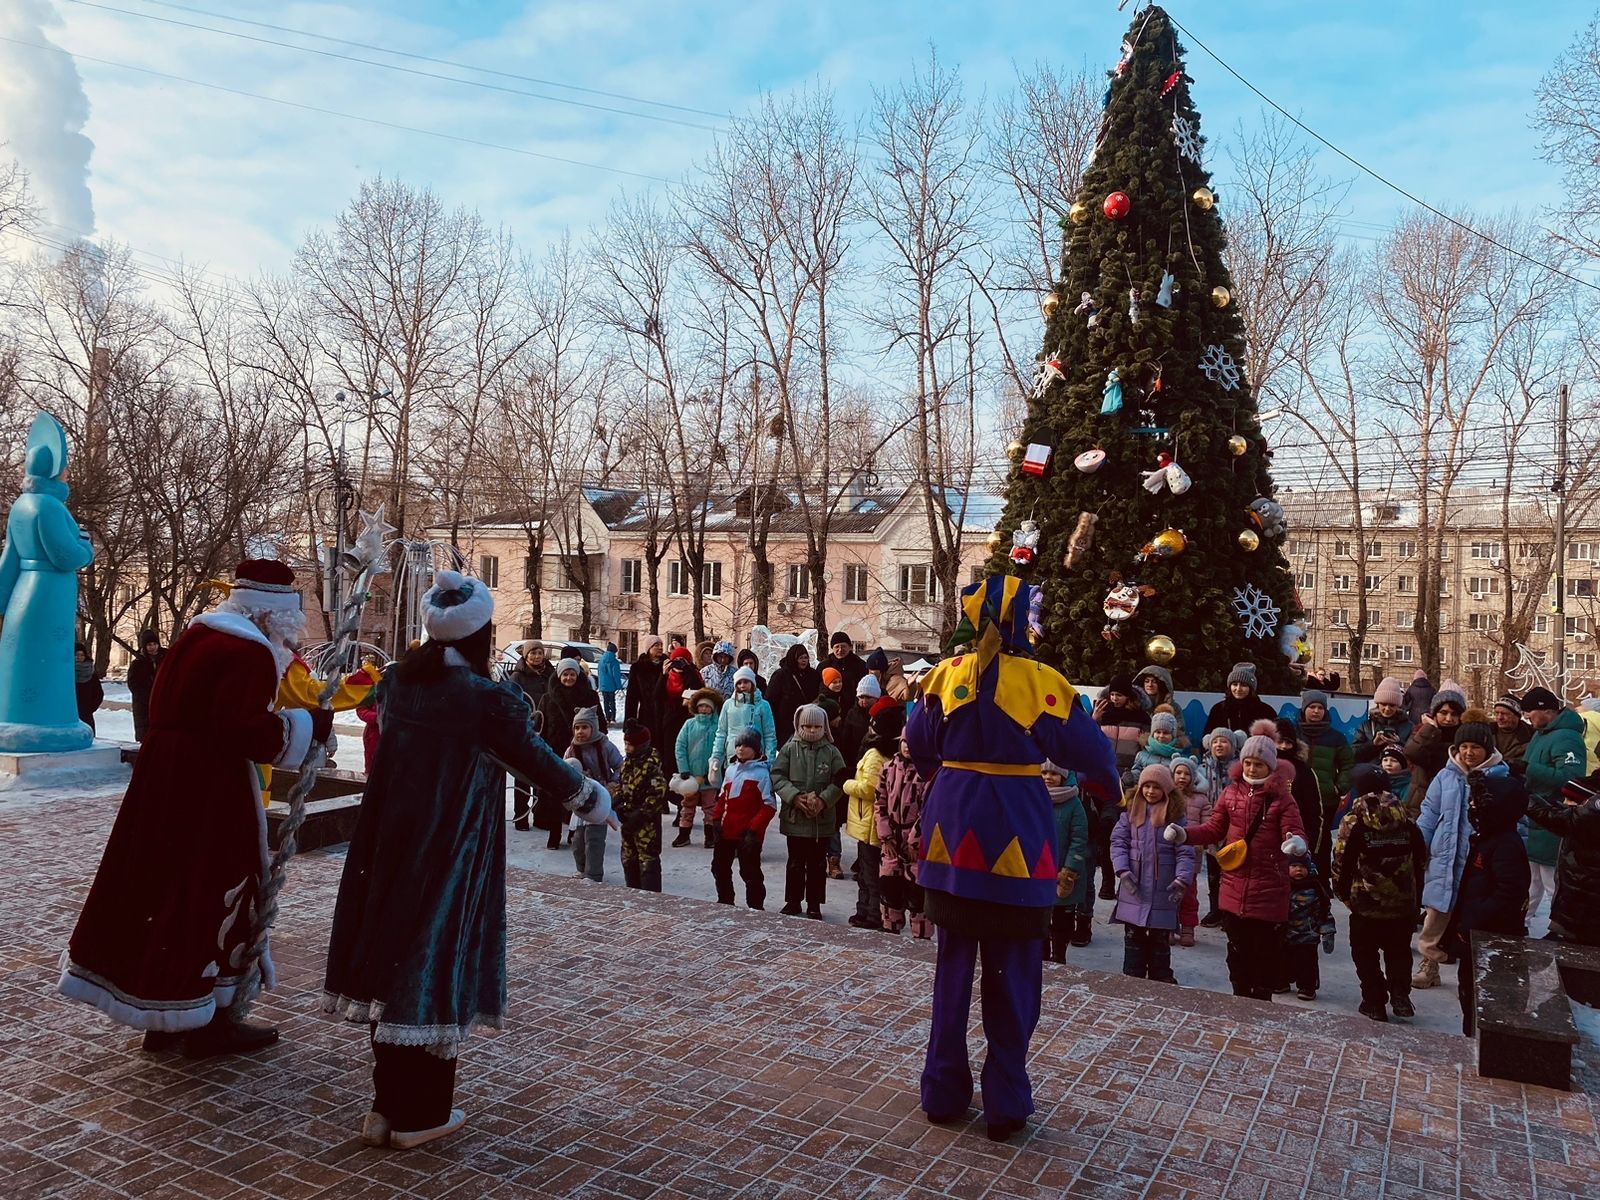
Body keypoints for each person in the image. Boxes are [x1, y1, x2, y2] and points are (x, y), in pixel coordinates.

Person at [322, 570, 603, 1149]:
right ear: (478, 634)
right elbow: (537, 760)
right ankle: (419, 1114)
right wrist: (589, 797)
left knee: (394, 957)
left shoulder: (400, 682)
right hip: (450, 848)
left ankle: (384, 1105)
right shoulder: (483, 699)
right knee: (433, 966)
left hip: (389, 844)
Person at [60, 560, 332, 1056]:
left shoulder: (199, 636)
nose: (293, 634)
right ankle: (203, 1021)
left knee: (161, 889)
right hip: (208, 788)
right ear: (270, 613)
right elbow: (243, 730)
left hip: (164, 781)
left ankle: (163, 1016)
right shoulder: (247, 650)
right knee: (208, 891)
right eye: (289, 621)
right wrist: (308, 724)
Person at [908, 576, 1120, 1142]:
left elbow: (918, 743)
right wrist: (1108, 791)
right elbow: (1093, 753)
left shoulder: (943, 676)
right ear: (1023, 617)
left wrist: (951, 783)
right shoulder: (1042, 684)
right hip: (1018, 841)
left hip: (949, 836)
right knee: (1014, 974)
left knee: (951, 970)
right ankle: (1005, 1101)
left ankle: (942, 1092)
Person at [1166, 730, 1308, 1002]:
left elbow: (1295, 830)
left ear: (1270, 765)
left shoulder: (1282, 800)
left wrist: (1296, 843)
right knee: (1237, 954)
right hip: (1233, 887)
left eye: (1259, 763)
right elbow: (1214, 829)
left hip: (1268, 890)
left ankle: (1260, 1001)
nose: (1252, 768)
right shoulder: (1231, 793)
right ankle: (1239, 999)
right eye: (1248, 762)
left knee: (1263, 955)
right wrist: (1186, 834)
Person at [1413, 717, 1505, 991]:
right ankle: (1429, 964)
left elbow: (1515, 822)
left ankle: (1474, 975)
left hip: (1478, 860)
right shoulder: (1446, 775)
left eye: (1475, 747)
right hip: (1445, 857)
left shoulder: (1499, 778)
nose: (1468, 752)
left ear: (1487, 749)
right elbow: (1429, 812)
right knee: (1436, 914)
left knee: (1473, 918)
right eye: (1463, 746)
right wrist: (1420, 846)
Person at [1332, 764, 1428, 1022]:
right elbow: (1421, 858)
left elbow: (1342, 860)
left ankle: (1374, 1001)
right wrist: (1416, 897)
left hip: (1365, 903)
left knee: (1364, 952)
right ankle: (1400, 996)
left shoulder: (1354, 821)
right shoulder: (1406, 817)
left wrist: (1342, 893)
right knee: (1399, 951)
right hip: (1403, 903)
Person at [1447, 774, 1530, 1037]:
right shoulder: (1488, 837)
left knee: (1485, 998)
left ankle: (1479, 1044)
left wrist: (1473, 923)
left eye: (1478, 802)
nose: (1472, 807)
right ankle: (1471, 1036)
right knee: (1468, 991)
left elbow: (1509, 893)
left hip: (1490, 938)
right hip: (1474, 935)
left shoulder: (1505, 845)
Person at [1111, 764, 1195, 983]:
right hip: (1134, 888)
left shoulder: (1176, 816)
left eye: (1156, 787)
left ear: (1166, 789)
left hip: (1163, 890)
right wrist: (1123, 870)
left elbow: (1185, 851)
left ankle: (1161, 978)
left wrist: (1181, 879)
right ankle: (1132, 975)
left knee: (1159, 941)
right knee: (1133, 939)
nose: (1150, 791)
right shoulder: (1130, 812)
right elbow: (1118, 842)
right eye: (1146, 786)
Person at [1519, 686, 1587, 924]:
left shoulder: (1567, 737)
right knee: (1531, 880)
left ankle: (1562, 927)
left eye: (1529, 711)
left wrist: (1528, 769)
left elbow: (1570, 777)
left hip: (1553, 818)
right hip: (1536, 816)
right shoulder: (1541, 732)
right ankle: (1521, 922)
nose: (1526, 716)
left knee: (1552, 882)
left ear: (1546, 710)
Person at [774, 703, 845, 919]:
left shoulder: (832, 751)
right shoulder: (789, 749)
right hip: (795, 819)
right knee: (795, 862)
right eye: (807, 726)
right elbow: (777, 776)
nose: (812, 730)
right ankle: (793, 901)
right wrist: (794, 796)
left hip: (821, 822)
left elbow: (840, 780)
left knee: (816, 864)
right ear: (799, 725)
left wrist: (824, 800)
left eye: (817, 726)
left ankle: (815, 903)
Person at [844, 699, 903, 931]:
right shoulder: (890, 752)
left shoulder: (875, 754)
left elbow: (869, 789)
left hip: (869, 823)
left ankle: (872, 915)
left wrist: (845, 783)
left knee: (870, 874)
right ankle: (865, 911)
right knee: (869, 873)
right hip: (874, 824)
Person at [536, 658, 607, 847]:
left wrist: (599, 744)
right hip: (555, 751)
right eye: (565, 674)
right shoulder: (548, 697)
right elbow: (540, 726)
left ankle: (573, 833)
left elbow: (600, 722)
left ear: (578, 675)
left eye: (572, 674)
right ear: (559, 676)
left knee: (578, 793)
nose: (568, 678)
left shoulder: (589, 696)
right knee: (554, 795)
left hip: (582, 751)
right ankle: (554, 833)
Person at [1526, 770, 1600, 945]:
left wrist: (1523, 798)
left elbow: (1565, 819)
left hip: (1585, 915)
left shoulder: (1590, 812)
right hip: (1577, 910)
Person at [712, 726, 776, 909]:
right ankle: (725, 900)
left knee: (750, 872)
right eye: (738, 744)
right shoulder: (731, 770)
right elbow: (723, 797)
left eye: (747, 745)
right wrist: (716, 820)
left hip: (748, 834)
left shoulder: (762, 773)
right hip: (726, 830)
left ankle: (756, 906)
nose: (741, 749)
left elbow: (769, 805)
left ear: (756, 749)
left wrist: (754, 829)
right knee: (719, 868)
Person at [881, 736, 937, 938]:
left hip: (917, 845)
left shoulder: (929, 774)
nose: (907, 746)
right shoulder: (888, 768)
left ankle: (921, 939)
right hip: (891, 843)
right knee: (889, 892)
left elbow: (930, 810)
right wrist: (886, 836)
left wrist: (915, 840)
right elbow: (880, 803)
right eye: (904, 741)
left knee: (918, 896)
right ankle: (890, 933)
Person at [1297, 689, 1352, 879]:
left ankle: (1321, 884)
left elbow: (1347, 765)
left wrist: (1339, 787)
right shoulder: (1295, 733)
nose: (1315, 711)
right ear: (1304, 709)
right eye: (1311, 707)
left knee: (1322, 841)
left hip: (1325, 799)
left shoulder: (1336, 737)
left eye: (1320, 707)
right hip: (1297, 798)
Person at [566, 707, 621, 883]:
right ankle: (581, 869)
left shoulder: (604, 745)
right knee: (578, 840)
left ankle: (593, 874)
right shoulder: (572, 750)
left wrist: (613, 784)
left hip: (599, 799)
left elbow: (621, 766)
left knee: (594, 839)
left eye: (584, 727)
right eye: (577, 728)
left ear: (593, 728)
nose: (580, 732)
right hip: (579, 801)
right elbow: (563, 770)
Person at [1043, 760, 1089, 962]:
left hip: (1064, 870)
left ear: (1063, 777)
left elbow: (1079, 839)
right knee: (1040, 918)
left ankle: (1059, 954)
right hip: (1039, 870)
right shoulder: (1034, 798)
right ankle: (1040, 955)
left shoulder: (1073, 803)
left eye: (1053, 774)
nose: (1047, 777)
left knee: (1062, 918)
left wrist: (1069, 869)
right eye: (1043, 773)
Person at [615, 721, 668, 892]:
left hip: (647, 826)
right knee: (629, 859)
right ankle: (633, 892)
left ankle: (651, 897)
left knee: (648, 862)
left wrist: (640, 815)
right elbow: (621, 786)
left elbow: (657, 795)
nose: (626, 748)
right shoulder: (627, 764)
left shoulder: (651, 766)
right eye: (625, 744)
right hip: (628, 821)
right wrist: (617, 803)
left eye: (630, 745)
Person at [508, 643, 556, 831]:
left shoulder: (550, 674)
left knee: (542, 774)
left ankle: (541, 815)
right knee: (523, 775)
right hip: (524, 731)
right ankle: (521, 815)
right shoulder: (518, 677)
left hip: (545, 730)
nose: (537, 656)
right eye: (533, 653)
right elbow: (512, 702)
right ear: (526, 656)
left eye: (540, 653)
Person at [1277, 850, 1333, 1001]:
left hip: (1307, 936)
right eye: (1293, 866)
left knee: (1307, 963)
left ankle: (1307, 986)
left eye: (1302, 866)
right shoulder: (1282, 887)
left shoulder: (1315, 889)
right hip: (1285, 934)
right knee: (1281, 959)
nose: (1298, 870)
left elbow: (1324, 912)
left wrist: (1327, 932)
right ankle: (1281, 981)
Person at [1273, 718, 1326, 876]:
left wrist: (1309, 848)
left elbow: (1315, 813)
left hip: (1296, 844)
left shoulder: (1304, 771)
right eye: (1279, 741)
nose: (1283, 747)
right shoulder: (1263, 768)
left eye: (1288, 742)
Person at [1197, 729, 1239, 926]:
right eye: (1216, 742)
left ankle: (1230, 911)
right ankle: (1216, 908)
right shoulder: (1202, 767)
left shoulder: (1240, 768)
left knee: (1231, 870)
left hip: (1234, 826)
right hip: (1211, 824)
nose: (1219, 745)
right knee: (1213, 871)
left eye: (1224, 741)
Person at [672, 688, 722, 848]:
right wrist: (683, 769)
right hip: (691, 776)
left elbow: (720, 749)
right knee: (687, 805)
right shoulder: (689, 724)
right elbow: (680, 746)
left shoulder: (718, 726)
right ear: (695, 707)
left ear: (713, 708)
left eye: (708, 706)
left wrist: (714, 770)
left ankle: (710, 836)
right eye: (701, 706)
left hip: (710, 775)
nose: (704, 709)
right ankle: (684, 834)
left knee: (710, 806)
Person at [1169, 755, 1208, 947]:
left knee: (1188, 895)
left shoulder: (1201, 800)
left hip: (1191, 857)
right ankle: (1168, 926)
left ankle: (1187, 927)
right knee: (1169, 894)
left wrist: (1199, 841)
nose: (1182, 777)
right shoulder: (1166, 795)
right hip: (1168, 855)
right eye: (1178, 773)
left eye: (1186, 774)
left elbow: (1208, 824)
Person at [1403, 682, 1466, 798]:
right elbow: (1412, 753)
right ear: (1435, 713)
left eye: (1454, 714)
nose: (1448, 719)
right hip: (1422, 794)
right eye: (1443, 713)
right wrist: (1430, 729)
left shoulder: (1465, 735)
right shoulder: (1422, 730)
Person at [711, 666, 777, 776]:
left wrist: (769, 760)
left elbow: (769, 735)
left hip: (757, 758)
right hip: (733, 756)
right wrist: (716, 757)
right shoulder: (728, 704)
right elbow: (721, 733)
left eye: (746, 682)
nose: (742, 685)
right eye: (739, 683)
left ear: (752, 683)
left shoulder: (763, 705)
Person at [654, 646, 704, 774]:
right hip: (669, 721)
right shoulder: (667, 676)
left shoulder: (693, 674)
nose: (678, 663)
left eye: (682, 659)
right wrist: (663, 675)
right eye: (675, 660)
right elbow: (657, 696)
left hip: (688, 720)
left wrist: (688, 669)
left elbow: (698, 689)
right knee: (670, 756)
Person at [1093, 674, 1150, 777]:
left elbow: (1146, 746)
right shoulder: (1103, 713)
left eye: (1119, 695)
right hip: (1104, 766)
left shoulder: (1141, 716)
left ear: (1128, 696)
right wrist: (1094, 719)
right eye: (1112, 694)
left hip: (1129, 770)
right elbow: (1089, 737)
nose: (1114, 698)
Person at [765, 643, 821, 747]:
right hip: (785, 728)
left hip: (807, 725)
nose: (804, 661)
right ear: (793, 659)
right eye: (800, 658)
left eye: (805, 658)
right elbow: (770, 701)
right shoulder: (781, 675)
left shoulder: (813, 675)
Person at [1352, 676, 1413, 764]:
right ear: (1377, 704)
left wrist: (1398, 744)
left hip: (1399, 775)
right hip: (1372, 773)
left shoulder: (1409, 726)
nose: (1387, 709)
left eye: (1392, 705)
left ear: (1398, 706)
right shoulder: (1366, 726)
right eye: (1383, 704)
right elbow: (1353, 755)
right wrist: (1373, 744)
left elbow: (1415, 756)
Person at [1204, 663, 1276, 733]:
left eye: (1243, 685)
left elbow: (1276, 739)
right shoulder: (1218, 709)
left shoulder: (1266, 711)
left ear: (1251, 688)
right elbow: (1207, 738)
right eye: (1235, 684)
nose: (1238, 689)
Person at [625, 634, 667, 741]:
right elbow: (632, 697)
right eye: (656, 645)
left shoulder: (667, 665)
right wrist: (630, 720)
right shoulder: (638, 667)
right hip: (647, 715)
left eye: (661, 645)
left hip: (665, 715)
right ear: (649, 648)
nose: (660, 648)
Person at [126, 630, 164, 741]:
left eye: (154, 644)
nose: (152, 647)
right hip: (143, 704)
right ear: (144, 646)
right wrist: (148, 697)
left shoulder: (166, 658)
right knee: (145, 734)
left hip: (163, 701)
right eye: (149, 645)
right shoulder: (138, 664)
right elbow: (134, 685)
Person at [1128, 708, 1181, 783]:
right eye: (1158, 732)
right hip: (1147, 792)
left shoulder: (1179, 757)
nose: (1161, 736)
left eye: (1165, 733)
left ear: (1173, 735)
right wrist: (1131, 776)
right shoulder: (1142, 755)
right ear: (1152, 733)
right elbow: (1137, 772)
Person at [826, 630, 869, 700]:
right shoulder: (825, 665)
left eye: (843, 646)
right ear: (832, 648)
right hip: (831, 706)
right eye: (837, 647)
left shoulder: (860, 665)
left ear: (850, 647)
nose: (840, 650)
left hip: (853, 706)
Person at [1490, 693, 1531, 766]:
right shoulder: (1486, 731)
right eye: (1497, 713)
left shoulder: (1530, 736)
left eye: (1504, 714)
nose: (1499, 717)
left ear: (1517, 716)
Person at [74, 642, 104, 734]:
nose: (79, 657)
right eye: (76, 655)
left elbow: (98, 693)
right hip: (70, 713)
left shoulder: (91, 673)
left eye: (82, 655)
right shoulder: (66, 672)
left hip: (86, 714)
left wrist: (90, 709)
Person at [597, 641, 624, 723]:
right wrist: (619, 686)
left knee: (605, 701)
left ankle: (607, 717)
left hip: (603, 685)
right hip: (611, 685)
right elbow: (616, 675)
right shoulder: (614, 662)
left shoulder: (601, 660)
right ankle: (613, 717)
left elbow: (599, 673)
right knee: (612, 701)